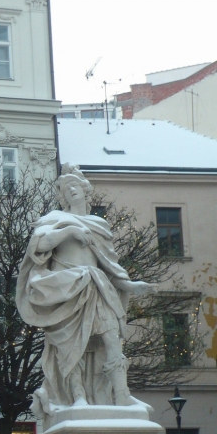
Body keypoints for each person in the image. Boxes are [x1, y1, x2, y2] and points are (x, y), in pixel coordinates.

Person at [16, 164, 155, 414]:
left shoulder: (99, 225)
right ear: (63, 197)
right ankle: (77, 396)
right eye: (66, 189)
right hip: (66, 290)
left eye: (75, 186)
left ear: (85, 191)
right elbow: (39, 245)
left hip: (98, 287)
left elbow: (108, 265)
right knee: (72, 346)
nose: (71, 191)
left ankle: (121, 395)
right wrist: (69, 231)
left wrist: (130, 285)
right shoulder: (54, 220)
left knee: (111, 338)